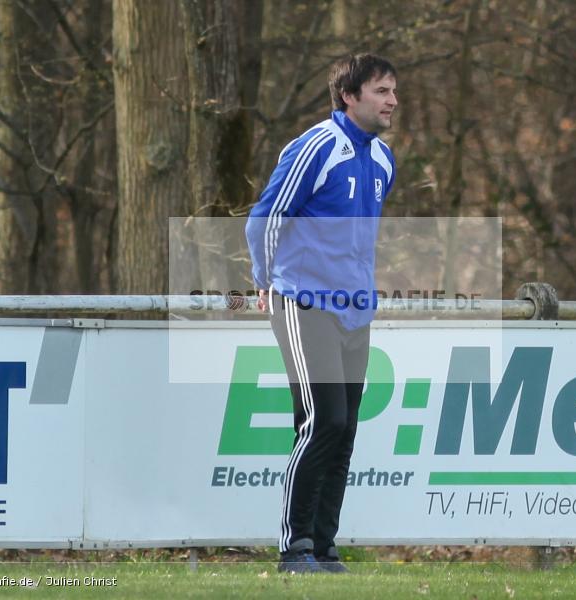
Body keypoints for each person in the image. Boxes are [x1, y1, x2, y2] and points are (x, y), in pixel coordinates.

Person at [245, 54, 397, 574]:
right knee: (322, 420)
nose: (392, 101)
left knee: (346, 427)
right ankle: (295, 548)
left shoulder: (383, 160)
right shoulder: (314, 147)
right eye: (381, 91)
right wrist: (267, 283)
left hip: (355, 312)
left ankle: (325, 548)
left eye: (393, 91)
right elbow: (263, 219)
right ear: (349, 97)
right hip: (303, 302)